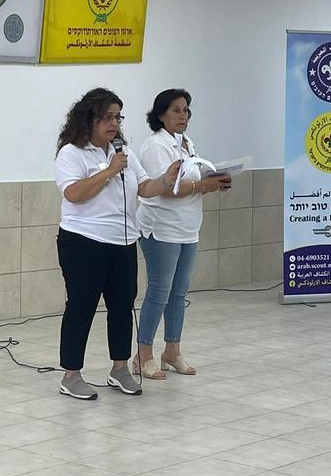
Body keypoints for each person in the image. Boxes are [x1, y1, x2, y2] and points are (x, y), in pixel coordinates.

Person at [55, 87, 181, 401]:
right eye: (107, 117)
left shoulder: (123, 153)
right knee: (81, 307)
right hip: (82, 242)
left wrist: (165, 180)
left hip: (122, 240)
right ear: (89, 120)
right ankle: (71, 375)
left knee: (123, 307)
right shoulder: (72, 153)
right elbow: (73, 194)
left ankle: (120, 368)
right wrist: (110, 171)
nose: (114, 124)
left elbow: (145, 187)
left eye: (118, 117)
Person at [135, 88, 231, 379]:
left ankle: (172, 351)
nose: (183, 115)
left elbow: (192, 181)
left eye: (186, 110)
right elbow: (165, 188)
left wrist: (215, 182)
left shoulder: (187, 143)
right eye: (176, 110)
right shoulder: (155, 145)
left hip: (188, 228)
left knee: (179, 293)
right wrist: (203, 186)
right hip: (161, 229)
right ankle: (143, 355)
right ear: (161, 114)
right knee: (159, 292)